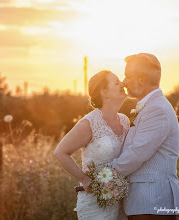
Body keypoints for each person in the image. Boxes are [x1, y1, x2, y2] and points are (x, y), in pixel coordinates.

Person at [108, 53, 179, 220]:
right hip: (145, 202)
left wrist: (104, 176)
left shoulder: (157, 110)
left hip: (152, 201)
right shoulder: (150, 107)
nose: (124, 81)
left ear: (141, 79)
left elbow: (137, 153)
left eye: (127, 76)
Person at [54, 70, 129, 220]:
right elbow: (60, 152)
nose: (123, 83)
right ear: (105, 92)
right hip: (95, 205)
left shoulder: (125, 120)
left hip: (122, 202)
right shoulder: (89, 123)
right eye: (116, 82)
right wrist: (85, 179)